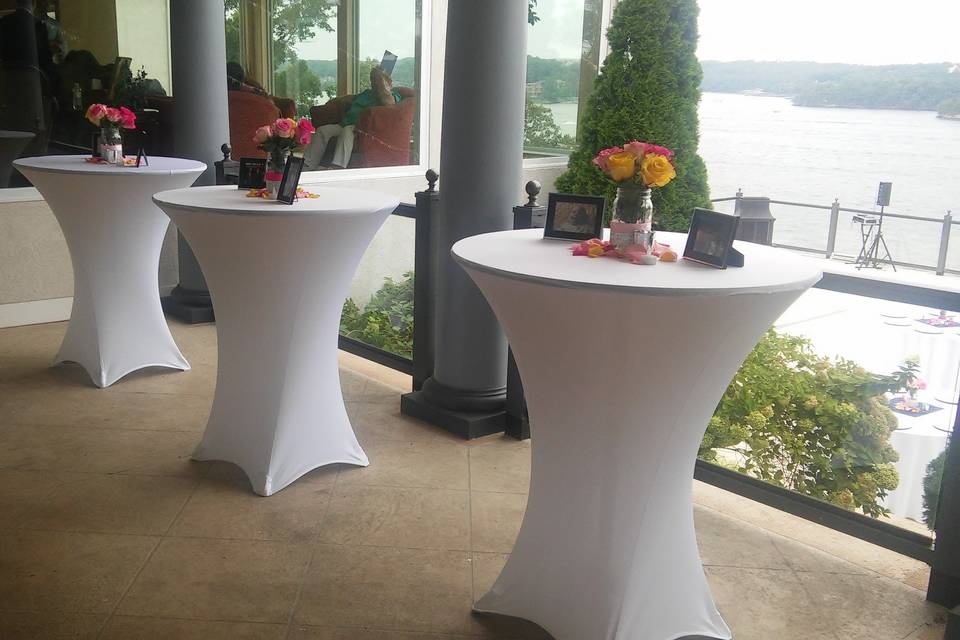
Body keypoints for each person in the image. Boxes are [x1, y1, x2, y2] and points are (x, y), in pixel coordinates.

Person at [302, 66, 402, 169]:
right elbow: (352, 100)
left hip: (361, 128)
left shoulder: (393, 95)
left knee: (347, 131)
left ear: (389, 83)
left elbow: (389, 102)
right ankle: (307, 165)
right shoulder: (366, 93)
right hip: (345, 123)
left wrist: (380, 79)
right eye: (373, 80)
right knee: (323, 130)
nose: (374, 82)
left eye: (377, 80)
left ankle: (337, 166)